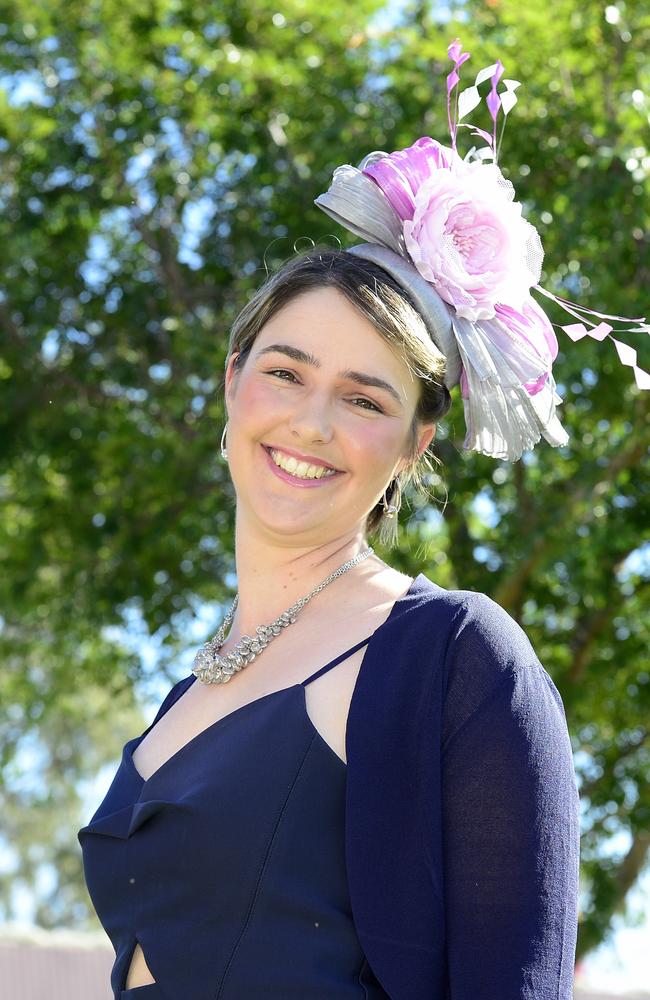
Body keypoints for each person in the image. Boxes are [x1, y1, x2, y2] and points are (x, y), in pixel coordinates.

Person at [78, 39, 637, 1000]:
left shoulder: (458, 659)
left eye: (366, 399)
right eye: (287, 371)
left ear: (417, 443)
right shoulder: (187, 690)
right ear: (233, 383)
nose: (312, 422)